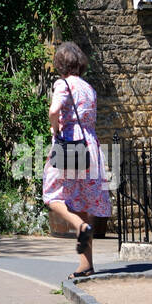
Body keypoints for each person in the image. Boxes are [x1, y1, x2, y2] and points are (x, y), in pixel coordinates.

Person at [41, 42, 111, 279]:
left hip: (69, 143)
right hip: (90, 145)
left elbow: (54, 110)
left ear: (60, 64)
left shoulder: (62, 84)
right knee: (81, 203)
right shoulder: (88, 87)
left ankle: (79, 227)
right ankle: (86, 265)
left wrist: (55, 128)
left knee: (51, 195)